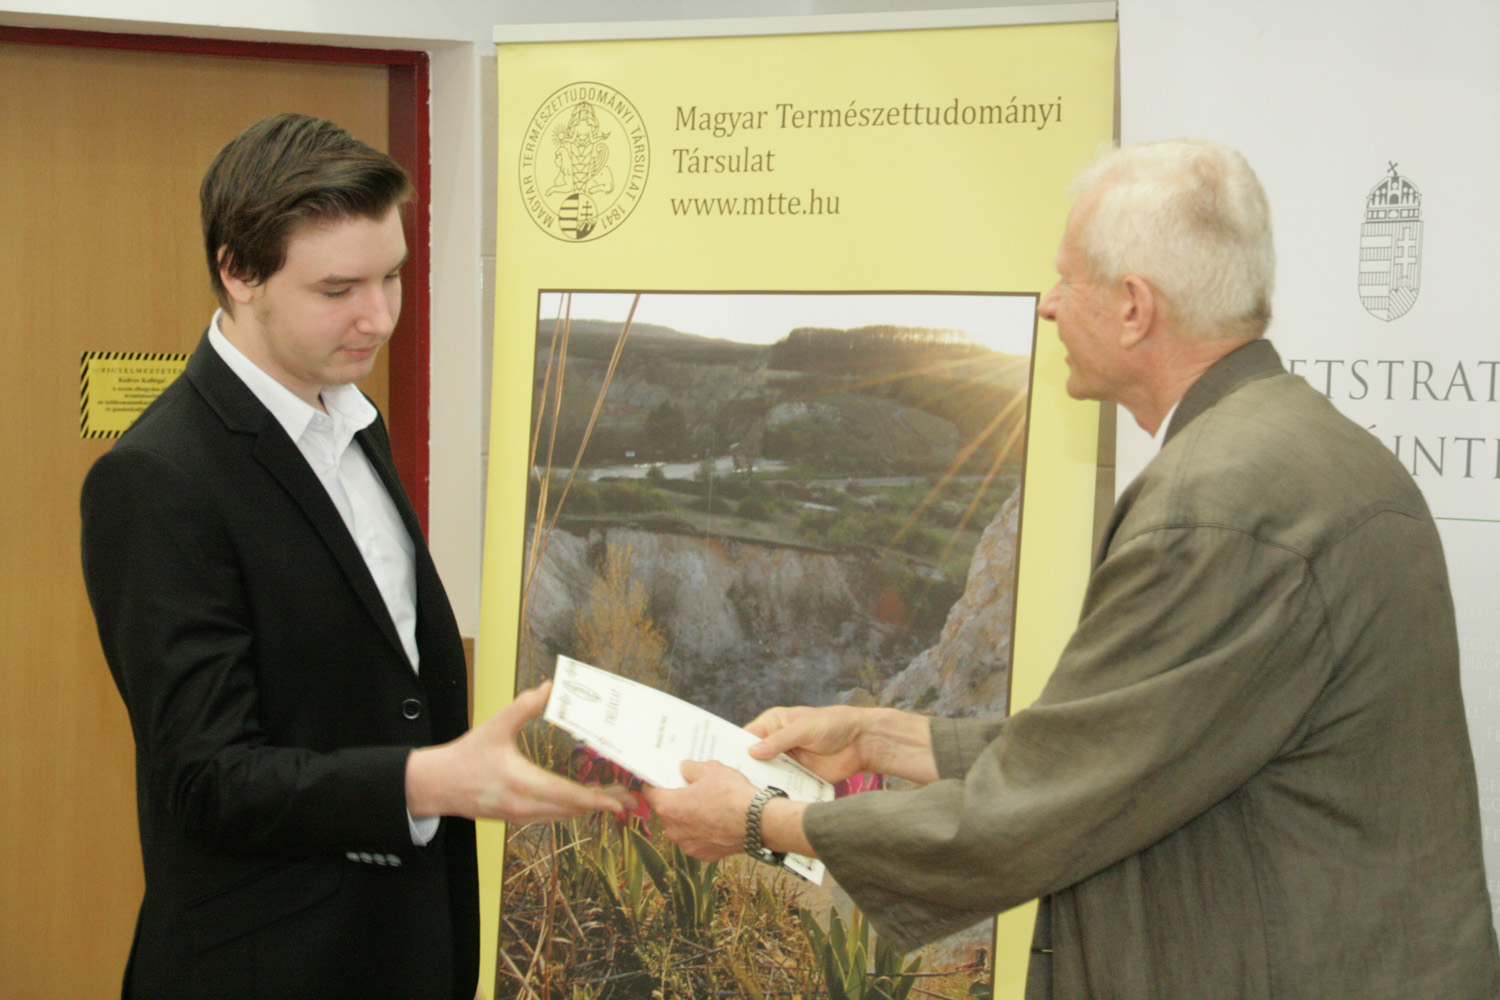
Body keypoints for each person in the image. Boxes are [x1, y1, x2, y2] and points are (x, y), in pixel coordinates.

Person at [645, 139, 1500, 998]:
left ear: (1133, 307)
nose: (1049, 306)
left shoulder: (1213, 508)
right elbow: (1120, 747)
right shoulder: (1311, 453)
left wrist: (761, 820)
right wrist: (875, 738)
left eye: (1065, 279)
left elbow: (1035, 811)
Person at [80, 113, 626, 1000]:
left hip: (403, 947)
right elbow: (206, 780)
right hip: (272, 969)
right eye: (337, 289)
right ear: (239, 271)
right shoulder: (156, 477)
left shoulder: (350, 420)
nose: (380, 316)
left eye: (392, 276)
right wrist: (426, 780)